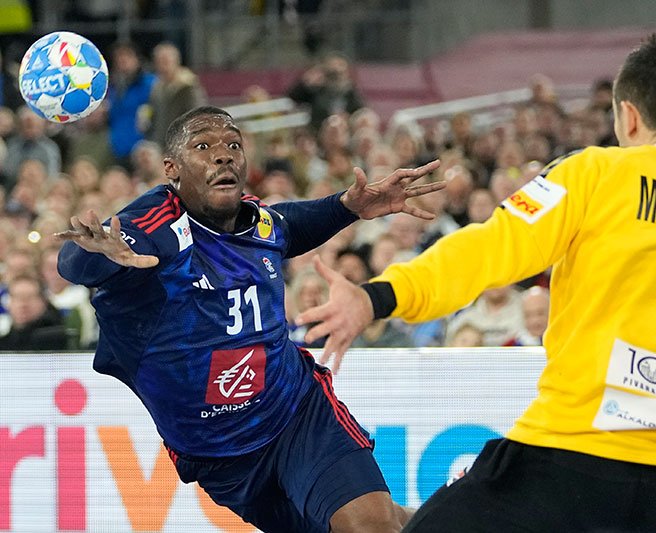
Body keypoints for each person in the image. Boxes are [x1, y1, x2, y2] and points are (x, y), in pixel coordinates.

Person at [295, 33, 656, 532]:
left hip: (577, 459)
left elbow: (488, 250)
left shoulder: (595, 174)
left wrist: (377, 296)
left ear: (627, 117)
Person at [56, 105, 444, 533]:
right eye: (203, 146)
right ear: (172, 169)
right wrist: (96, 256)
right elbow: (78, 258)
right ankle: (458, 515)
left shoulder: (260, 222)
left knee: (371, 526)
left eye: (233, 145)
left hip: (298, 415)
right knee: (376, 524)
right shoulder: (153, 228)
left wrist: (347, 206)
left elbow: (290, 225)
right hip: (223, 461)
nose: (223, 154)